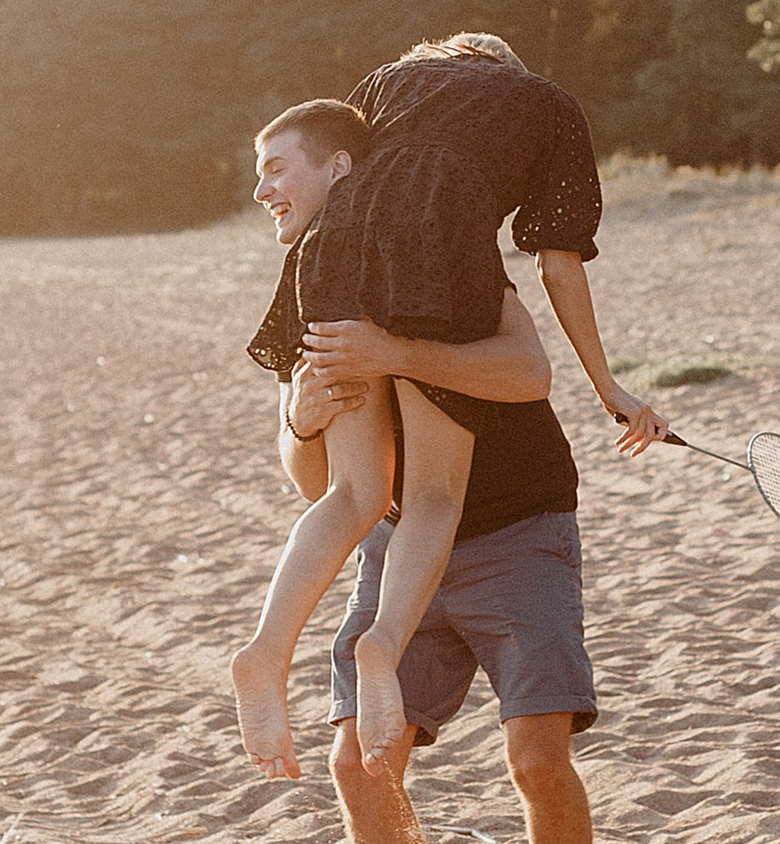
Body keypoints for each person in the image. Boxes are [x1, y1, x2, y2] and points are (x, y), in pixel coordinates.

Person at [233, 38, 651, 777]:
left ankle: (266, 650)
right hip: (437, 249)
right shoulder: (546, 102)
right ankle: (384, 644)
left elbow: (344, 168)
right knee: (432, 493)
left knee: (353, 492)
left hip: (331, 246)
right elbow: (556, 261)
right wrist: (608, 385)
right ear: (504, 69)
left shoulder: (384, 79)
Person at [281, 280, 658, 844]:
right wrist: (301, 420)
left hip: (518, 534)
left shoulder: (456, 266)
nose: (270, 207)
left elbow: (527, 372)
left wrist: (394, 353)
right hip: (399, 552)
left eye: (280, 175)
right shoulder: (318, 285)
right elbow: (320, 484)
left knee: (538, 760)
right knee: (357, 764)